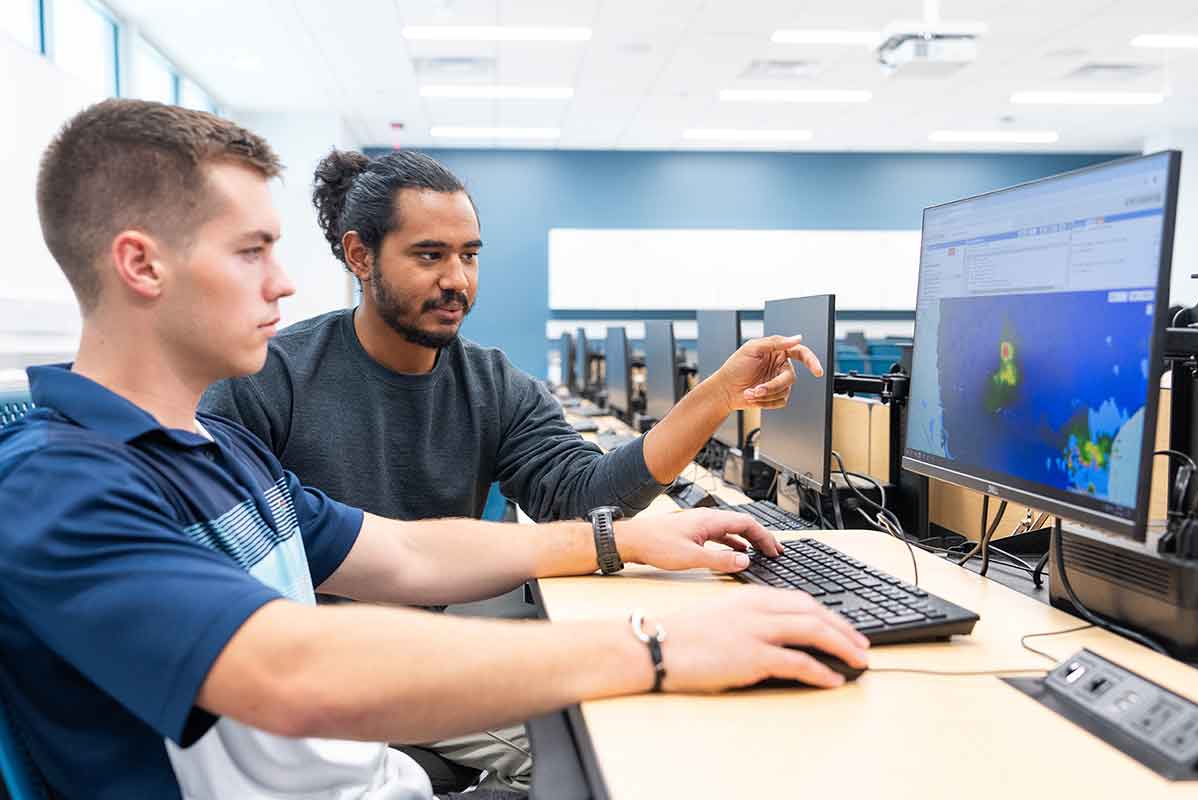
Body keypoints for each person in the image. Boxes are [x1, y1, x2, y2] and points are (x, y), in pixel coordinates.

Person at [0, 99, 867, 800]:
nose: (285, 279)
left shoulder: (209, 448)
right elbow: (290, 669)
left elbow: (406, 550)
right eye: (252, 251)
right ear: (142, 267)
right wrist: (656, 646)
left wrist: (620, 541)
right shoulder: (58, 485)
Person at [199, 148, 826, 790]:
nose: (457, 280)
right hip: (327, 672)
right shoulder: (268, 381)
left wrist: (715, 396)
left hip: (434, 645)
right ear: (360, 256)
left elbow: (583, 496)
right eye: (429, 255)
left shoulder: (491, 383)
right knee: (614, 740)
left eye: (469, 255)